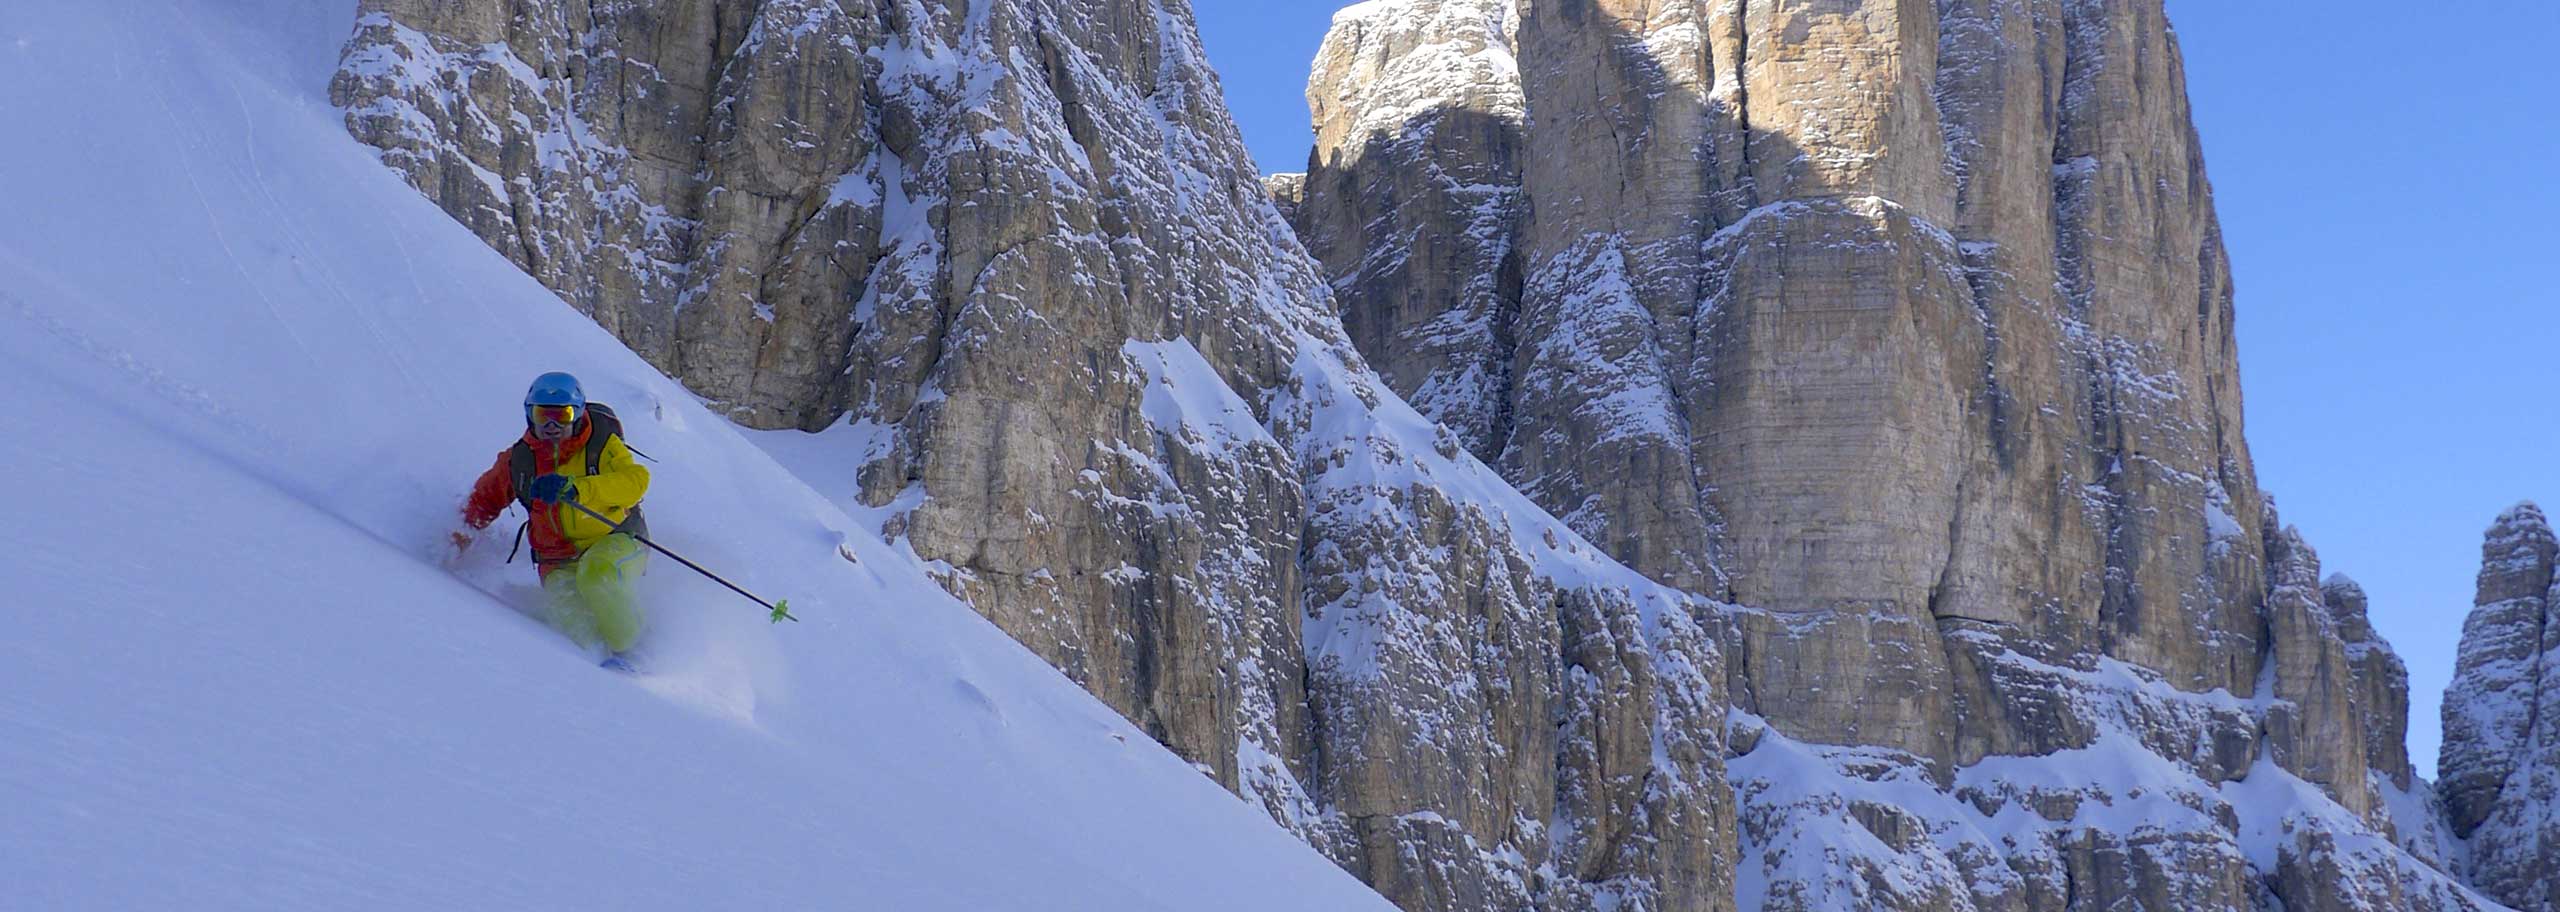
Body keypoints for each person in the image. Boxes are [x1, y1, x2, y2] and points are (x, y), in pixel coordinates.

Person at [458, 372, 652, 657]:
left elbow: (636, 481)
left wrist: (578, 489)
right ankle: (600, 669)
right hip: (556, 560)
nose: (552, 426)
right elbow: (484, 500)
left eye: (563, 415)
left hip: (617, 538)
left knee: (598, 576)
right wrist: (458, 537)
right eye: (542, 415)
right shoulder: (520, 461)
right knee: (575, 627)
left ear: (578, 414)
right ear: (529, 415)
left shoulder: (601, 444)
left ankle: (638, 652)